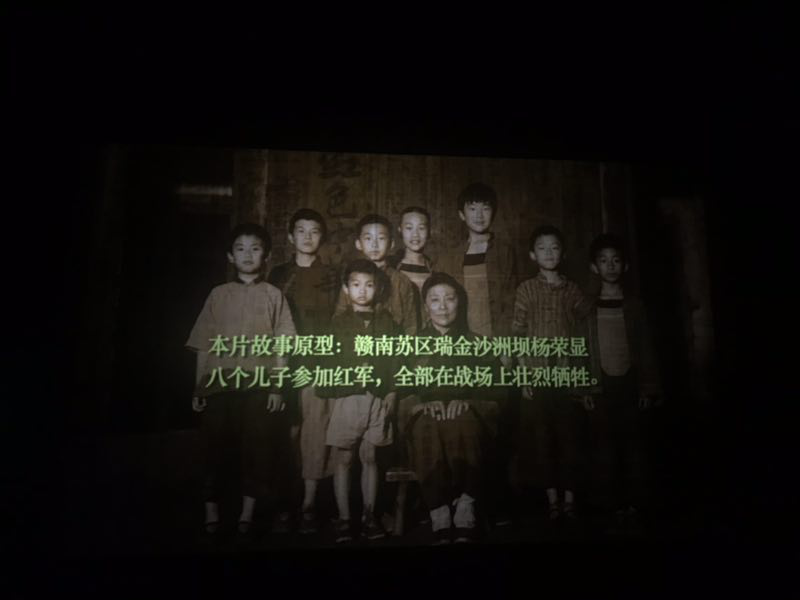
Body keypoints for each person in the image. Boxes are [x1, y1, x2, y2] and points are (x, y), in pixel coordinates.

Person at [186, 223, 296, 538]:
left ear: (267, 256)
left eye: (255, 248)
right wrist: (199, 385)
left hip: (259, 385)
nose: (248, 254)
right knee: (214, 449)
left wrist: (277, 385)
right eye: (240, 248)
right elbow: (203, 344)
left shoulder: (274, 295)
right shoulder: (218, 294)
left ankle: (247, 515)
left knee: (257, 449)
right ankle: (212, 512)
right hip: (219, 384)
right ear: (230, 256)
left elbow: (283, 346)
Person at [404, 272, 505, 544]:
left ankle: (466, 503)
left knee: (464, 420)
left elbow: (498, 390)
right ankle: (438, 509)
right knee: (426, 424)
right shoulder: (411, 345)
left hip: (469, 413)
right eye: (435, 300)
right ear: (426, 305)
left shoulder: (478, 344)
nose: (443, 306)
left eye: (449, 299)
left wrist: (470, 403)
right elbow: (400, 390)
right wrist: (421, 405)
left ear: (460, 302)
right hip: (427, 414)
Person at [512, 225, 597, 522]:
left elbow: (588, 333)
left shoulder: (573, 291)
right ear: (532, 255)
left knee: (570, 437)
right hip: (537, 375)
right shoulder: (525, 289)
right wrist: (524, 376)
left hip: (567, 375)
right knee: (542, 438)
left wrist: (585, 382)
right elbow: (518, 335)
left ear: (563, 253)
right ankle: (552, 500)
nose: (549, 253)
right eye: (542, 248)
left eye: (555, 247)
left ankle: (570, 499)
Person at [584, 233, 661, 534]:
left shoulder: (635, 306)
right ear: (594, 267)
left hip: (630, 382)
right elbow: (581, 349)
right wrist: (585, 388)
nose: (610, 266)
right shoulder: (587, 308)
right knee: (604, 445)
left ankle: (635, 505)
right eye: (603, 261)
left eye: (616, 260)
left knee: (634, 446)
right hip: (601, 383)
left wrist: (648, 388)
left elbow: (647, 349)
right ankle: (610, 506)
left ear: (625, 266)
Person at [268, 208, 339, 534]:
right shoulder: (278, 275)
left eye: (314, 231)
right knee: (287, 433)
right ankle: (286, 501)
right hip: (283, 365)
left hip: (318, 364)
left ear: (322, 237)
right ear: (290, 236)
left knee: (314, 432)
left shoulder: (333, 275)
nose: (307, 237)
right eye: (301, 230)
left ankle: (309, 504)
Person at [319, 259, 398, 543]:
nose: (362, 291)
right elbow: (328, 363)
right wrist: (334, 395)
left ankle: (369, 516)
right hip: (348, 397)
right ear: (346, 288)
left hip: (376, 398)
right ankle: (344, 518)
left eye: (369, 285)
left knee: (370, 456)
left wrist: (392, 391)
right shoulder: (338, 323)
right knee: (344, 457)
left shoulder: (386, 321)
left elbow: (394, 360)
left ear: (378, 288)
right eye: (356, 285)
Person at [334, 214, 420, 335]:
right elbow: (339, 316)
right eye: (368, 238)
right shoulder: (351, 278)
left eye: (381, 238)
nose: (374, 244)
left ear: (391, 244)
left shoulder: (401, 281)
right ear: (358, 244)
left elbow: (411, 325)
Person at [389, 206, 434, 293]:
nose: (415, 234)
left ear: (429, 232)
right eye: (409, 228)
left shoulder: (435, 268)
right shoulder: (390, 266)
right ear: (400, 230)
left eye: (421, 228)